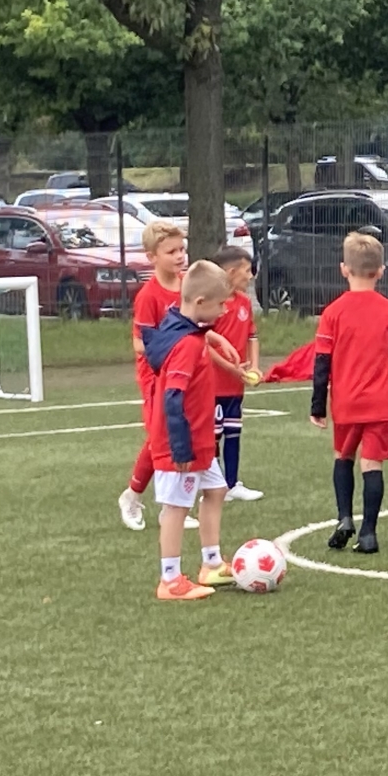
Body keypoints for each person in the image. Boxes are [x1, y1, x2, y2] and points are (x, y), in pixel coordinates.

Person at [309, 232, 388, 555]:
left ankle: (344, 518)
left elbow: (321, 363)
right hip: (380, 402)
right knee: (372, 464)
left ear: (344, 269)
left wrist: (318, 406)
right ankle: (368, 532)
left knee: (343, 457)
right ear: (380, 271)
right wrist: (383, 372)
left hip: (346, 401)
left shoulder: (333, 312)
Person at [142, 260, 234, 601]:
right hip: (181, 445)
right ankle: (170, 579)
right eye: (220, 304)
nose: (224, 310)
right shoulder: (187, 346)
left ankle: (211, 563)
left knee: (217, 489)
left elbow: (176, 321)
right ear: (199, 303)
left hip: (200, 439)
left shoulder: (184, 329)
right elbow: (173, 397)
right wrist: (180, 448)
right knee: (177, 507)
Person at [119, 221, 188, 531]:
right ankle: (133, 496)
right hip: (156, 376)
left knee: (181, 435)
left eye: (182, 249)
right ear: (152, 257)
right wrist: (169, 350)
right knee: (161, 438)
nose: (180, 256)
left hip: (185, 373)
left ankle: (173, 505)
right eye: (171, 251)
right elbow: (139, 342)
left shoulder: (187, 285)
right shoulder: (149, 296)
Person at [209, 246, 263, 502]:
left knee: (234, 432)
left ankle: (232, 483)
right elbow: (203, 344)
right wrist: (230, 367)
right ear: (231, 272)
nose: (250, 276)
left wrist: (254, 366)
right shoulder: (212, 305)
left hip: (235, 384)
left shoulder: (244, 302)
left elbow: (252, 336)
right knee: (213, 437)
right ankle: (213, 486)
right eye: (247, 271)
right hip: (212, 385)